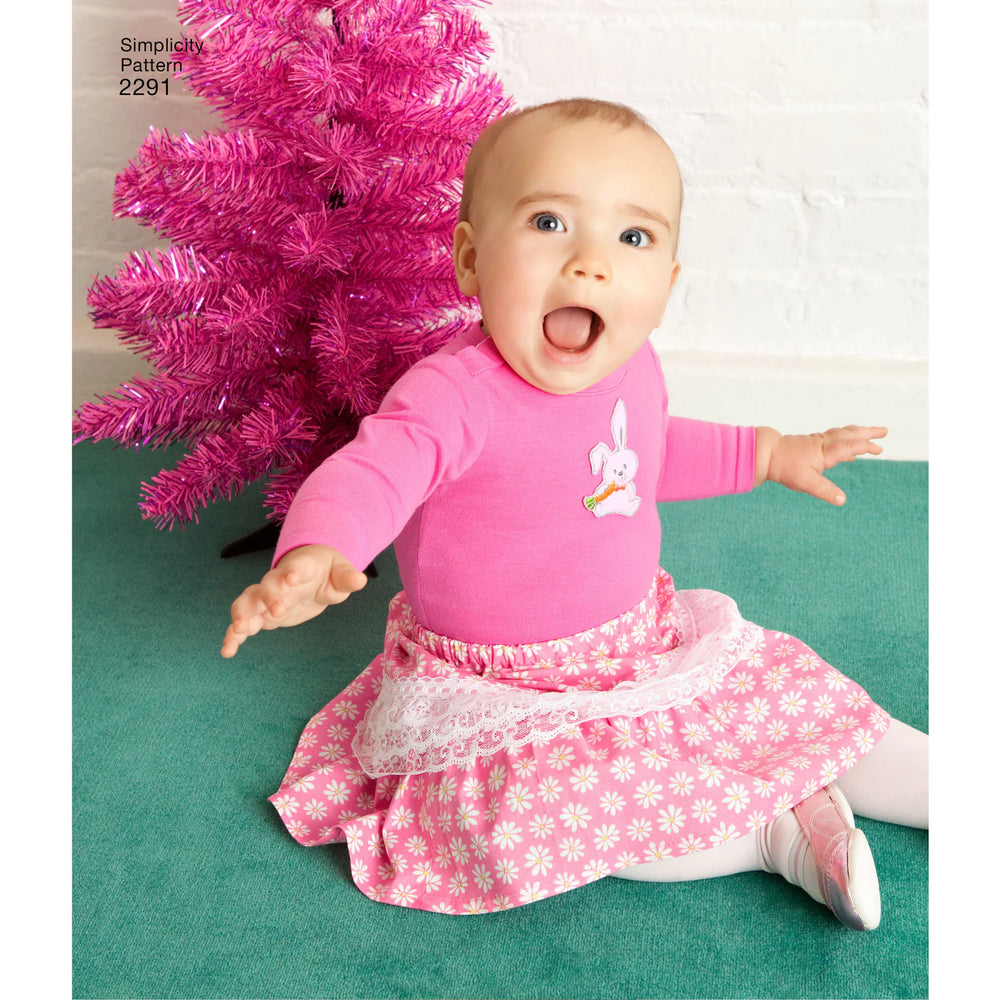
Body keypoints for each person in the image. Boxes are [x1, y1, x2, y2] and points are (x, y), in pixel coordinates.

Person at [222, 99, 928, 926]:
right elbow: (375, 472)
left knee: (800, 700)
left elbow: (649, 453)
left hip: (637, 641)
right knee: (544, 816)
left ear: (665, 288)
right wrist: (319, 546)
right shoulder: (454, 397)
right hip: (501, 692)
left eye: (632, 237)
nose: (591, 263)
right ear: (470, 261)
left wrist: (766, 453)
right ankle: (774, 833)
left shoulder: (633, 365)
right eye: (549, 223)